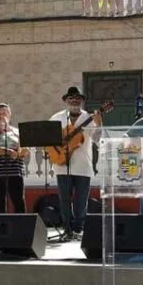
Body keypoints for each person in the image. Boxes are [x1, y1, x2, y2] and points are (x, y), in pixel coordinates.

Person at [49, 86, 102, 240]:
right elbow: (48, 139)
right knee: (64, 199)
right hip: (61, 164)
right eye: (71, 98)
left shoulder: (89, 117)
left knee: (81, 200)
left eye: (78, 98)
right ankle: (67, 229)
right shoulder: (56, 118)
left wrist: (99, 124)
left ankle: (78, 230)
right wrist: (56, 151)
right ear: (66, 101)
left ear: (82, 101)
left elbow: (98, 139)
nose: (74, 100)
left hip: (83, 165)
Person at [0, 103, 29, 213]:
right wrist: (7, 151)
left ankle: (21, 226)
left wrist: (22, 152)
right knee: (0, 200)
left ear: (9, 115)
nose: (1, 116)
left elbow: (25, 148)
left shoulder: (16, 132)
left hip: (14, 170)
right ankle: (2, 228)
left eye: (4, 113)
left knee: (18, 199)